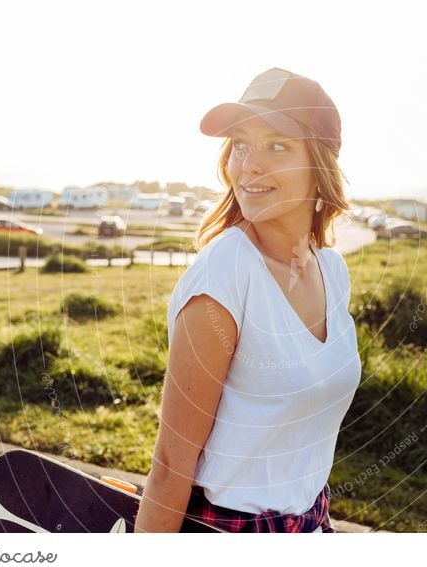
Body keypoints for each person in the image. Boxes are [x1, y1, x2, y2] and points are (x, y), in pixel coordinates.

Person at [134, 68, 361, 533]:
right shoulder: (224, 276)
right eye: (240, 144)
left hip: (313, 522)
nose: (249, 164)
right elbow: (171, 464)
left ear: (320, 163)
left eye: (277, 145)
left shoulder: (332, 271)